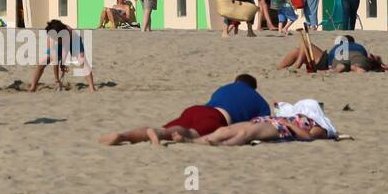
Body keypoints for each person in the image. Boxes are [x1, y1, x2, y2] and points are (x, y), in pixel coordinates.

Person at [100, 74, 268, 145]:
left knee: (166, 128)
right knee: (186, 132)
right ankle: (158, 134)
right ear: (253, 88)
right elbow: (260, 126)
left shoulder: (224, 88)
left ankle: (124, 135)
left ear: (236, 81)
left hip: (197, 109)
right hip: (217, 118)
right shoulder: (260, 101)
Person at [198, 99, 337, 145]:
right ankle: (196, 141)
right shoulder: (298, 115)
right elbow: (288, 110)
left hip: (281, 128)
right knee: (227, 130)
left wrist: (288, 124)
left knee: (247, 133)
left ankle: (224, 144)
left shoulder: (319, 126)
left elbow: (309, 137)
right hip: (272, 121)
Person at [27, 19, 96, 92]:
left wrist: (62, 64)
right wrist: (57, 80)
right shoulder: (51, 38)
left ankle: (92, 88)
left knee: (82, 61)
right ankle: (33, 87)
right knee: (41, 64)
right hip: (58, 43)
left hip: (74, 40)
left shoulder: (68, 31)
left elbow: (65, 50)